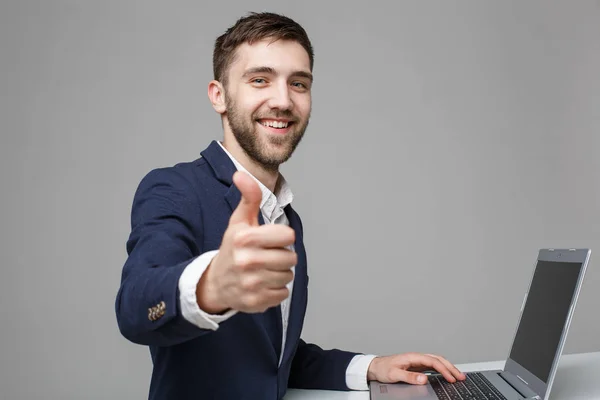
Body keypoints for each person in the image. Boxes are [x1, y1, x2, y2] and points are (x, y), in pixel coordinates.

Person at [115, 11, 466, 400]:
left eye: (298, 83)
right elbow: (136, 307)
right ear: (219, 96)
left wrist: (369, 367)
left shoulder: (284, 216)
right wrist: (210, 285)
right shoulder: (174, 188)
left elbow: (270, 360)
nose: (282, 100)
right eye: (260, 80)